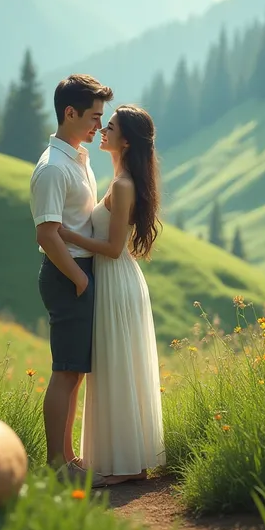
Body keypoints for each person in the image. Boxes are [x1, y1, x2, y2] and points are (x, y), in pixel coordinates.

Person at [59, 104, 166, 485]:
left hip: (116, 279)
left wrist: (67, 235)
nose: (103, 128)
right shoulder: (120, 179)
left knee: (114, 367)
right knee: (119, 366)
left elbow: (115, 247)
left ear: (126, 140)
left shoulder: (122, 186)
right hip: (116, 281)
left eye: (112, 126)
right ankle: (129, 462)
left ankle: (120, 467)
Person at [30, 73, 113, 488]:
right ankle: (57, 464)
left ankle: (68, 458)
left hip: (78, 273)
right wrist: (80, 278)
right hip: (67, 276)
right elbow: (46, 234)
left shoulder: (77, 157)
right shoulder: (51, 169)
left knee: (75, 371)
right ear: (70, 112)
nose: (99, 125)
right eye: (94, 117)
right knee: (65, 371)